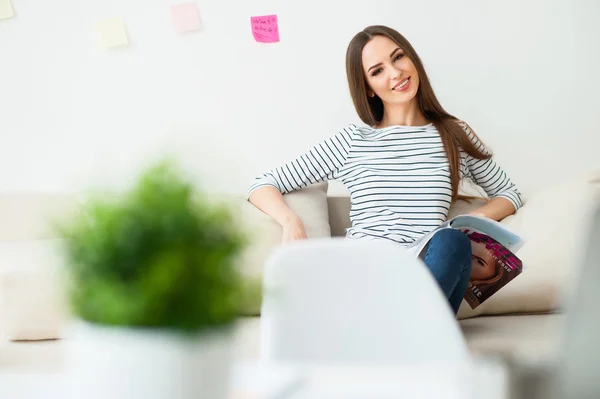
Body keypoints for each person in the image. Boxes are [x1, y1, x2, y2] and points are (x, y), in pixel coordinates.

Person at [247, 25, 523, 315]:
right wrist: (291, 221)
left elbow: (508, 193)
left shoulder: (453, 135)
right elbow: (263, 184)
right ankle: (405, 339)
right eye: (378, 71)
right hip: (364, 273)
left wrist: (474, 218)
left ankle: (401, 334)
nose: (395, 73)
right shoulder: (353, 140)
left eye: (399, 57)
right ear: (368, 88)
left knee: (452, 242)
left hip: (426, 278)